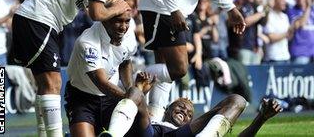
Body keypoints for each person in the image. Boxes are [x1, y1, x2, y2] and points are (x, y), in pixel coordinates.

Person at [11, 0, 144, 136]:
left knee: (45, 85)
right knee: (53, 83)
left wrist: (113, 8)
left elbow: (93, 9)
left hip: (37, 20)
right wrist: (118, 8)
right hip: (38, 19)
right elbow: (97, 14)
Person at [138, 0, 246, 121]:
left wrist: (230, 7)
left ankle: (154, 121)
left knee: (165, 69)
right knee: (179, 68)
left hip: (173, 9)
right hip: (161, 6)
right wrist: (173, 9)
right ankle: (133, 79)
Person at [64, 6, 152, 137]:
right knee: (135, 95)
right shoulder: (87, 42)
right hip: (82, 99)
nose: (123, 27)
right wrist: (130, 99)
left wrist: (130, 90)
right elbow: (101, 83)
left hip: (110, 98)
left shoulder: (128, 34)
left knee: (137, 100)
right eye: (118, 21)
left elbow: (125, 61)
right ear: (104, 20)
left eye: (127, 21)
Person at [103, 93, 282, 137]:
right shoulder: (154, 117)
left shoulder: (191, 130)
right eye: (180, 107)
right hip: (149, 133)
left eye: (189, 114)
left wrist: (261, 118)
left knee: (238, 100)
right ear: (167, 109)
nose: (184, 112)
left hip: (179, 136)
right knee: (136, 92)